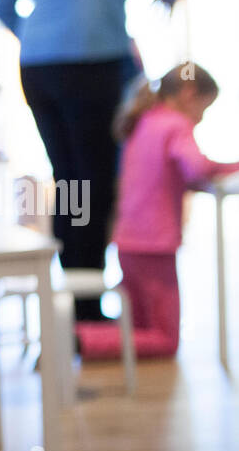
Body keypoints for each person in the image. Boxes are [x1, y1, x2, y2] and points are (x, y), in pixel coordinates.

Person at [0, 0, 189, 322]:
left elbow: (4, 4)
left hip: (38, 67)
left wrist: (40, 37)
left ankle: (76, 297)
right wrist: (163, 0)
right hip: (92, 63)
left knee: (69, 180)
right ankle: (87, 307)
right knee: (94, 181)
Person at [76, 63, 239, 361]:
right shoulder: (175, 125)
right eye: (204, 109)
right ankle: (81, 340)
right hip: (155, 246)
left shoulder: (143, 121)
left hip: (127, 241)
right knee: (166, 339)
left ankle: (80, 335)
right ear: (189, 94)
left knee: (138, 326)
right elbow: (198, 167)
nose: (201, 119)